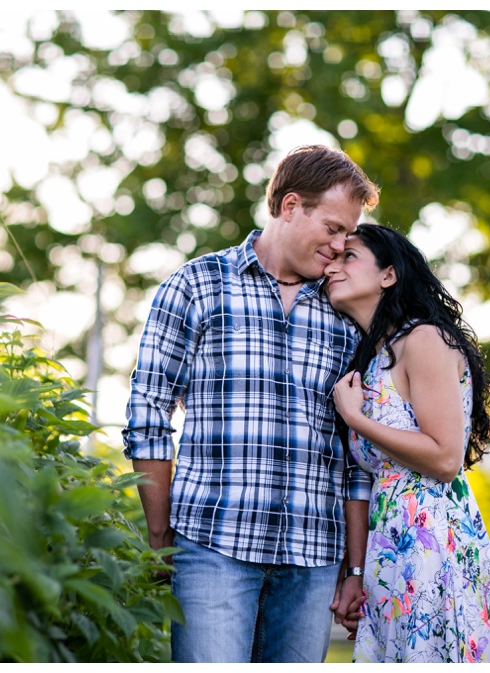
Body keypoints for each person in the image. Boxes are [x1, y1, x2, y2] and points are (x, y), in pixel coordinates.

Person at [122, 145, 380, 663]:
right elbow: (148, 411)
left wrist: (354, 568)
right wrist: (159, 534)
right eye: (331, 228)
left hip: (312, 559)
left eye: (347, 236)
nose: (338, 247)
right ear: (289, 207)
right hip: (212, 547)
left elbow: (358, 451)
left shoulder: (345, 309)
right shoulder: (196, 285)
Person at [326, 223, 490, 663]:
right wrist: (355, 571)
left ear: (388, 275)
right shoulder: (374, 358)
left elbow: (445, 458)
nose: (332, 266)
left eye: (349, 256)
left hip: (432, 541)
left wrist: (354, 418)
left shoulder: (423, 338)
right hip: (389, 543)